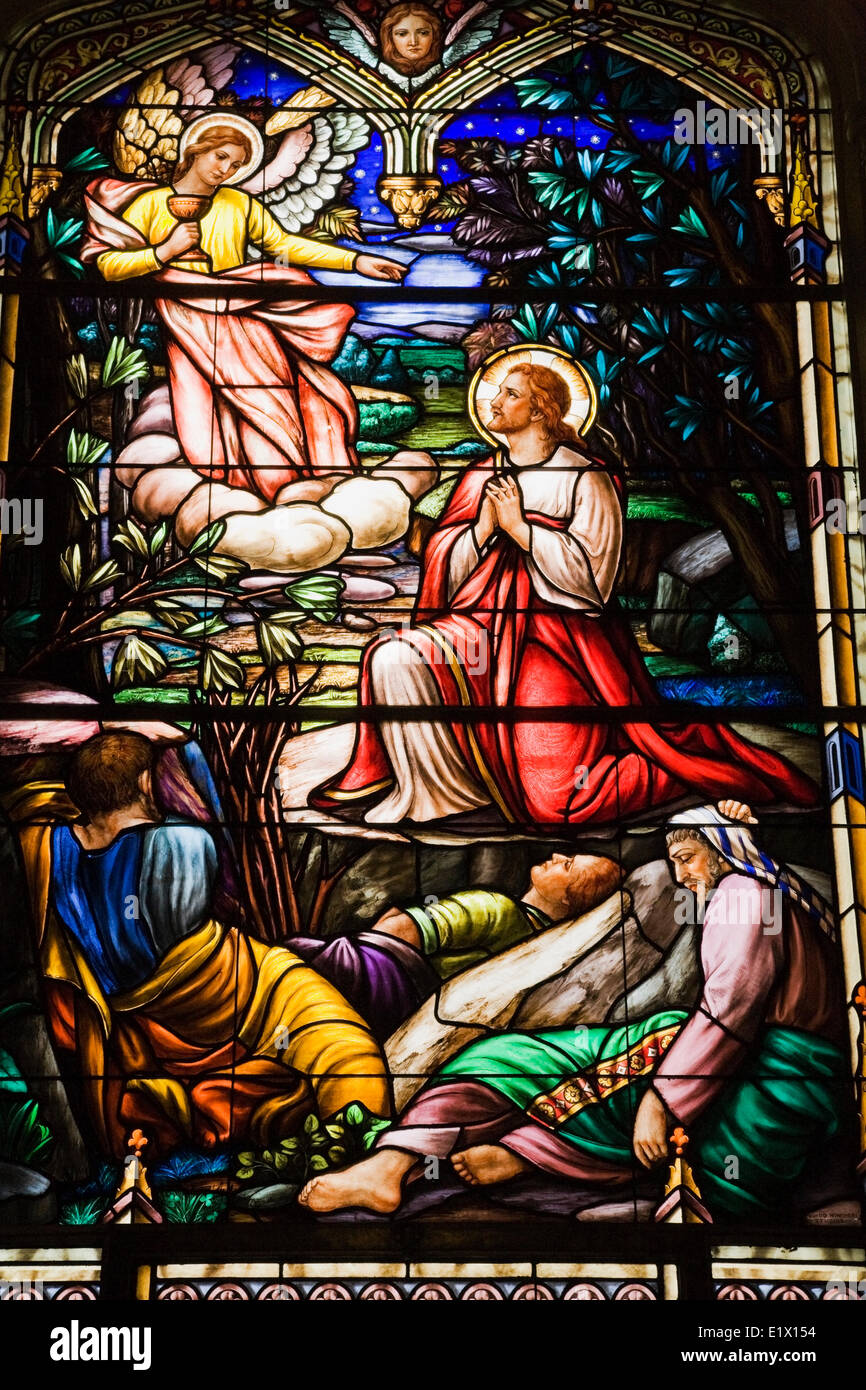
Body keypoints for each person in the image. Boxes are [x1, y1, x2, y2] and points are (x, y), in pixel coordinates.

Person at [313, 357, 818, 825]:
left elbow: (594, 584)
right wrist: (483, 531)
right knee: (392, 656)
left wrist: (523, 530)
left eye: (509, 395)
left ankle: (679, 770)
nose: (493, 402)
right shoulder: (480, 476)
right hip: (478, 627)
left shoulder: (587, 478)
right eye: (495, 393)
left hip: (559, 639)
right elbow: (444, 568)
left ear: (542, 409)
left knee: (561, 802)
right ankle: (440, 793)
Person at [298, 800, 850, 1219]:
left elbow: (728, 1015)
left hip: (764, 1079)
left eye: (686, 858)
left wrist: (665, 1101)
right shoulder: (781, 894)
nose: (681, 876)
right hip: (780, 1077)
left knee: (521, 1061)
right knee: (532, 1057)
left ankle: (484, 1155)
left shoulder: (743, 894)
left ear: (722, 848)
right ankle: (462, 1156)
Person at [11, 732, 389, 1159]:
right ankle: (367, 1155)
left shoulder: (48, 849)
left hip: (137, 1015)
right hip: (243, 987)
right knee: (341, 1044)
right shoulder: (182, 842)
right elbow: (189, 912)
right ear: (144, 784)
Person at [81, 120, 404, 502]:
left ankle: (290, 493)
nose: (225, 170)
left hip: (245, 320)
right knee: (206, 416)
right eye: (220, 157)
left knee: (282, 399)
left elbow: (286, 244)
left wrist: (355, 261)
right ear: (196, 149)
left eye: (235, 165)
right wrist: (163, 253)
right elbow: (106, 265)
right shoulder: (149, 206)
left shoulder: (238, 203)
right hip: (186, 325)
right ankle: (235, 501)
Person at [289, 851, 624, 1040]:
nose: (556, 855)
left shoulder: (496, 908)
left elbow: (401, 931)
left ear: (567, 898)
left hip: (382, 977)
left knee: (279, 960)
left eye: (568, 866)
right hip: (408, 1016)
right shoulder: (545, 946)